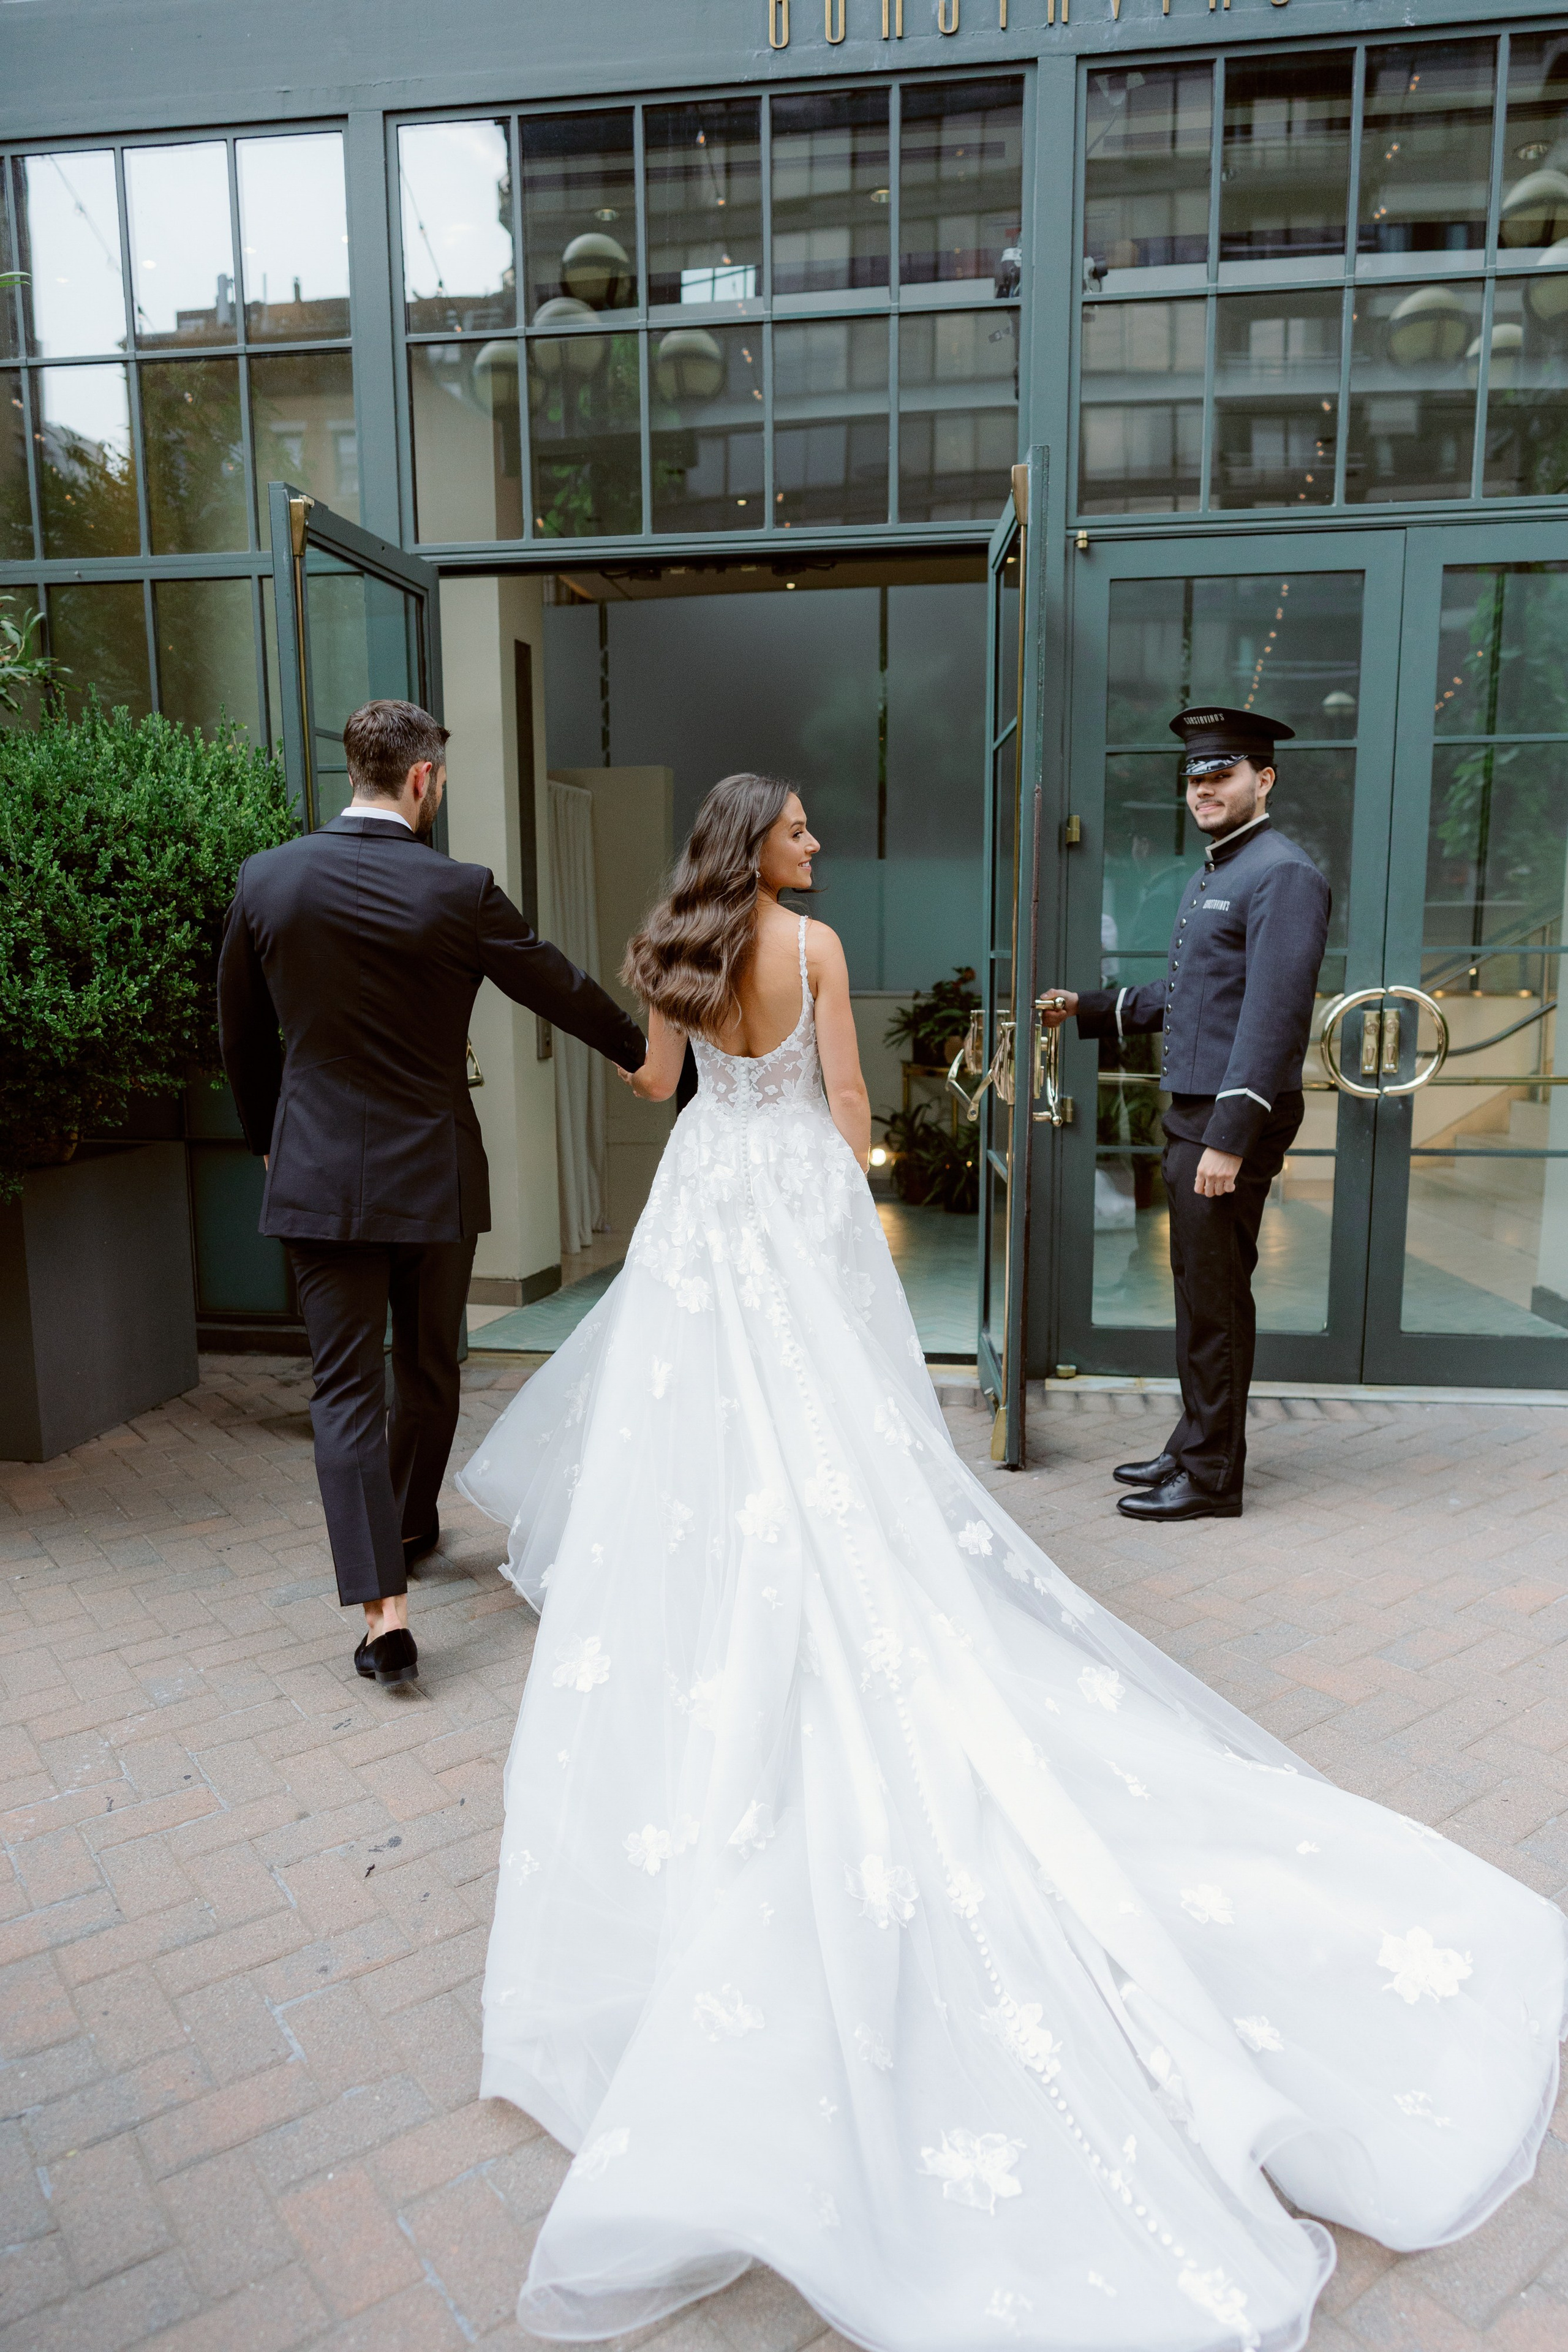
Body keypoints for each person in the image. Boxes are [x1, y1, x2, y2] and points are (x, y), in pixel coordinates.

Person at [458, 770, 1566, 2352]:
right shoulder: (815, 949)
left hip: (701, 1210)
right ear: (759, 844)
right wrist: (846, 1242)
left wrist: (675, 1067)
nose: (816, 843)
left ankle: (724, 1667)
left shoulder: (672, 944)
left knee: (705, 1454)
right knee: (832, 1455)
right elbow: (849, 1111)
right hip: (785, 1204)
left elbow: (654, 1084)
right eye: (800, 827)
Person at [217, 698, 645, 1687]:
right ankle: (408, 1525)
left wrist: (269, 1141)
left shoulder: (267, 880)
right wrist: (648, 1057)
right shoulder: (460, 890)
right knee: (428, 1367)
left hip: (317, 1171)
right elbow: (558, 986)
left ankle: (385, 1616)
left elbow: (239, 1033)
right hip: (434, 1172)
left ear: (355, 771)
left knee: (344, 1391)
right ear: (422, 778)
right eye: (440, 780)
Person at [1041, 706, 1330, 1525]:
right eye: (1194, 776)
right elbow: (1191, 995)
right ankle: (1195, 1441)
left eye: (1221, 774)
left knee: (1216, 1302)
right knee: (1199, 1294)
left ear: (1264, 779)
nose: (1202, 788)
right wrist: (1086, 1008)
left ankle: (1211, 1477)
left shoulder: (1282, 874)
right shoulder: (1223, 868)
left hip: (1226, 1121)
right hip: (1196, 1116)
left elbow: (1273, 1020)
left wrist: (1229, 1140)